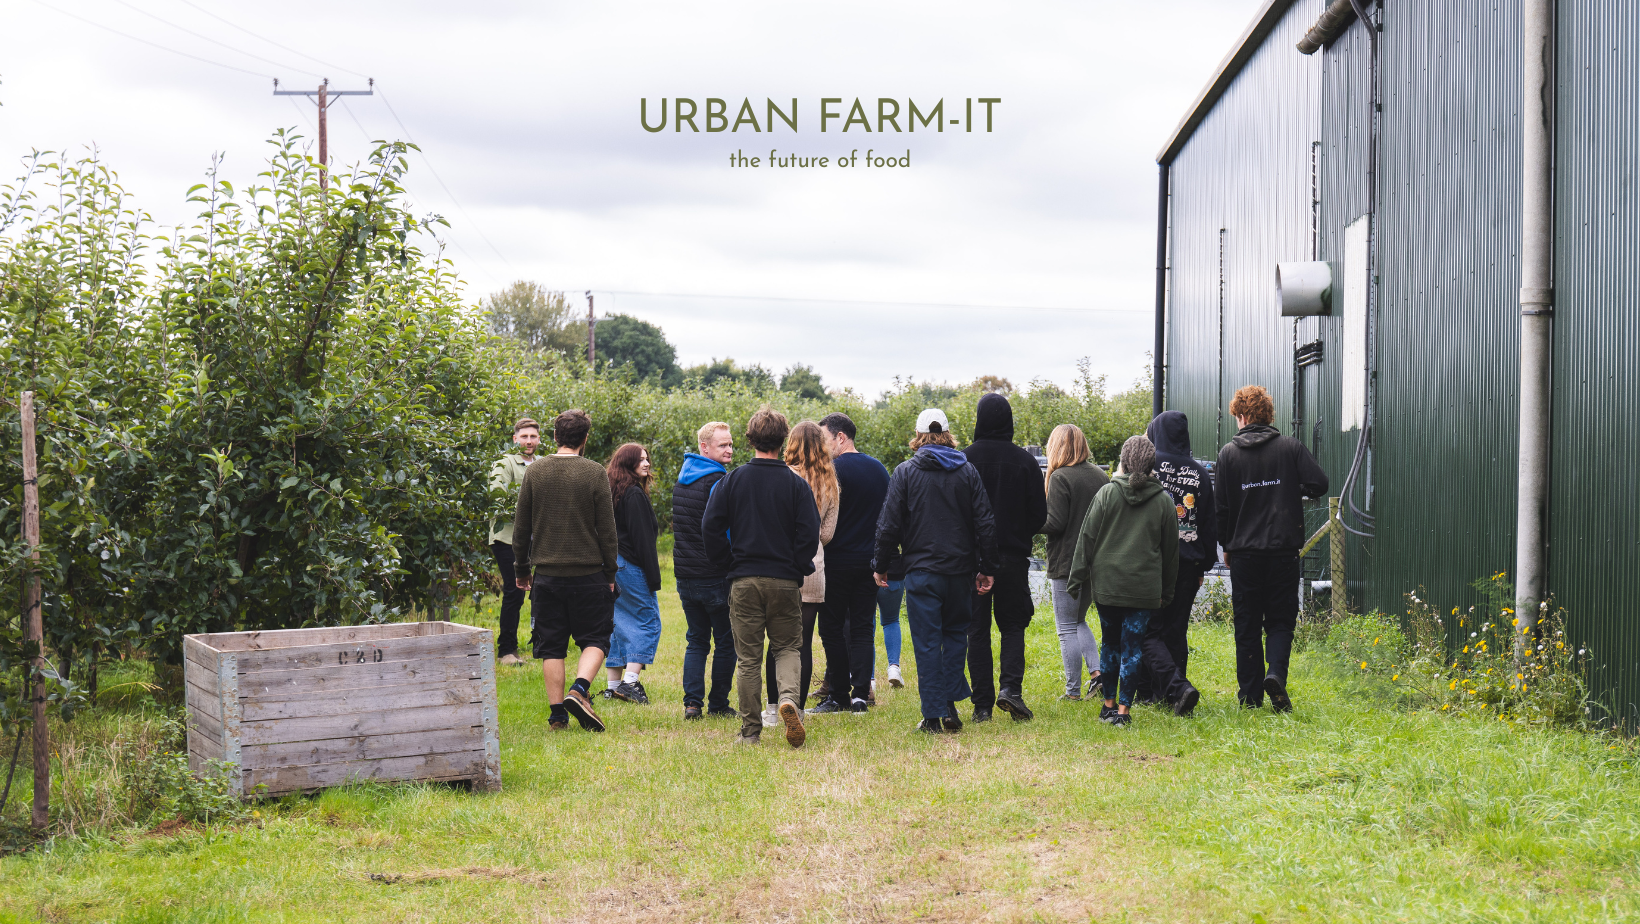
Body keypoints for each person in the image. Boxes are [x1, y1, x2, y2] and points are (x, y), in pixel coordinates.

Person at [874, 408, 998, 734]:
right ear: (947, 435)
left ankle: (933, 716)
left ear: (918, 436)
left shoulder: (905, 472)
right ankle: (949, 706)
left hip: (921, 572)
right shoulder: (967, 471)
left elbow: (888, 524)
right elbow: (985, 523)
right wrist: (987, 567)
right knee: (956, 636)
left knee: (927, 643)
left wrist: (881, 565)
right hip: (960, 571)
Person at [703, 406, 821, 748]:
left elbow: (710, 527)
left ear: (750, 439)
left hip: (744, 579)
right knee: (787, 647)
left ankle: (750, 731)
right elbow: (809, 531)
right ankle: (789, 700)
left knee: (749, 658)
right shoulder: (796, 485)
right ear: (783, 440)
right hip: (784, 579)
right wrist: (798, 565)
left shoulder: (732, 481)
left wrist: (727, 562)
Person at [1215, 385, 1329, 712]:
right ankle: (1276, 674)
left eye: (1237, 416)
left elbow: (1222, 508)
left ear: (1243, 415)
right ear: (1266, 414)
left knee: (1247, 624)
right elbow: (1319, 483)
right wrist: (1291, 487)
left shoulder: (1228, 455)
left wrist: (1226, 545)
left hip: (1244, 554)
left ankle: (1250, 698)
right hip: (1282, 552)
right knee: (1280, 621)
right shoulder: (1290, 448)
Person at [512, 409, 618, 733]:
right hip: (589, 574)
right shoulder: (595, 472)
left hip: (547, 575)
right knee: (596, 638)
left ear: (555, 436)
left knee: (551, 646)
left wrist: (521, 569)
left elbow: (521, 527)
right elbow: (607, 530)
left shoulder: (535, 471)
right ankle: (580, 689)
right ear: (585, 438)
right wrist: (610, 573)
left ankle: (558, 716)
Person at [1065, 435, 1179, 727]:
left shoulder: (1106, 494)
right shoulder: (1164, 502)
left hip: (1108, 586)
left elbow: (1086, 539)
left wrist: (1076, 579)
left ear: (1123, 462)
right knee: (1133, 649)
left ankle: (1107, 706)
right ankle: (1124, 712)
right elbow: (1170, 553)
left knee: (1110, 645)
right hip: (1144, 589)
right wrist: (1167, 592)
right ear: (1152, 464)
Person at [963, 393, 1048, 722]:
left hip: (972, 560)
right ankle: (1011, 689)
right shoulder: (1025, 462)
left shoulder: (964, 459)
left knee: (977, 629)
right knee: (1013, 626)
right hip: (1012, 557)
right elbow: (1039, 516)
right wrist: (1017, 531)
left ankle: (982, 705)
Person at [1134, 411, 1216, 715]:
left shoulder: (1148, 466)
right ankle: (1175, 696)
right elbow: (1208, 523)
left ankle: (1155, 690)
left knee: (1148, 629)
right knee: (1176, 629)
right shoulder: (1200, 473)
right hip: (1188, 562)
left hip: (1152, 560)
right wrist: (1204, 564)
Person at [815, 412, 892, 713]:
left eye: (824, 439)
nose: (822, 447)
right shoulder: (879, 470)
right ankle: (860, 694)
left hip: (836, 561)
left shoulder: (831, 470)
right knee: (862, 628)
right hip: (869, 562)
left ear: (840, 437)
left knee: (831, 628)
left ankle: (838, 694)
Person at [765, 421, 839, 717]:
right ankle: (799, 707)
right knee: (803, 642)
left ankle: (773, 707)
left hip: (782, 563)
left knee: (777, 642)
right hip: (814, 565)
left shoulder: (783, 476)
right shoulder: (830, 481)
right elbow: (827, 534)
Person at [673, 421, 738, 720]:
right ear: (704, 447)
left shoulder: (682, 479)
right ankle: (718, 704)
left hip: (685, 574)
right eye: (723, 445)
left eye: (730, 444)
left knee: (697, 639)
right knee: (726, 641)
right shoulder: (718, 481)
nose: (729, 449)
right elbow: (725, 530)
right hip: (713, 574)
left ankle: (692, 704)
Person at [1041, 424, 1109, 700]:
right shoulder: (1100, 475)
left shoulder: (1060, 477)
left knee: (1066, 626)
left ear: (1056, 446)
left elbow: (1055, 523)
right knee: (1078, 620)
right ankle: (1097, 676)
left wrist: (1028, 521)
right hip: (1095, 562)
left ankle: (1072, 692)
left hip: (1066, 562)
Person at [604, 443, 662, 705]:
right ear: (627, 463)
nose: (646, 463)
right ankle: (629, 683)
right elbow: (643, 541)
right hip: (630, 564)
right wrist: (653, 578)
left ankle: (612, 687)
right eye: (640, 460)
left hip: (613, 563)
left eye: (647, 458)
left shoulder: (612, 491)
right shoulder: (634, 495)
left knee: (618, 623)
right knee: (647, 621)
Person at [488, 418, 540, 666]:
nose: (529, 441)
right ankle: (506, 651)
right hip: (507, 538)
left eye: (533, 436)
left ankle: (541, 643)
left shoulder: (542, 464)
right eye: (524, 436)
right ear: (515, 438)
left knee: (542, 591)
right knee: (515, 592)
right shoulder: (505, 463)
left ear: (539, 439)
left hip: (537, 539)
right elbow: (497, 497)